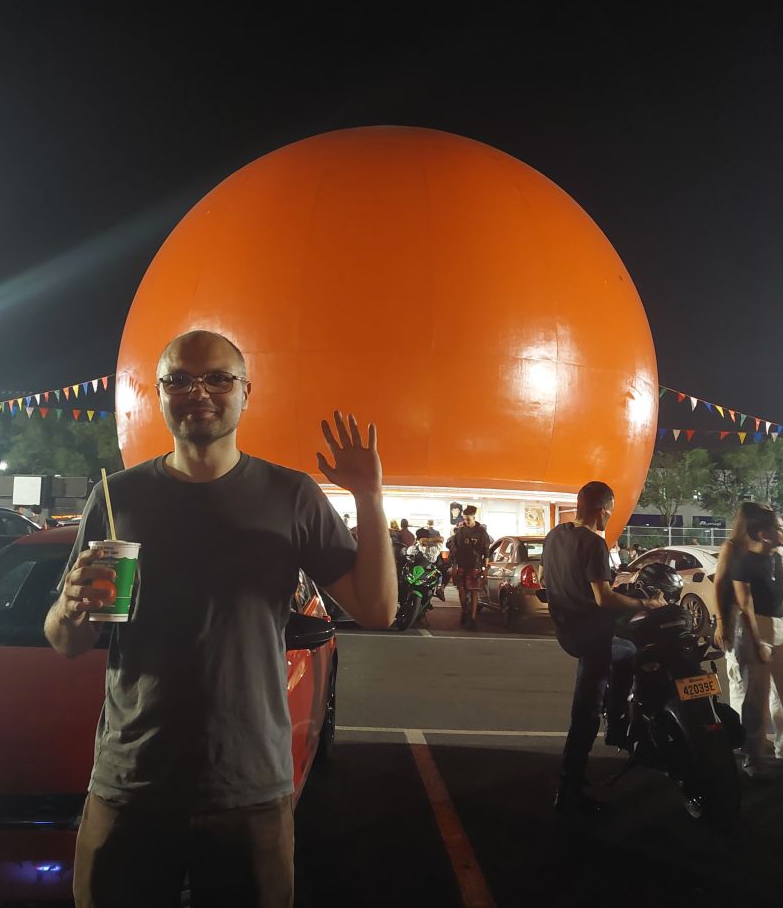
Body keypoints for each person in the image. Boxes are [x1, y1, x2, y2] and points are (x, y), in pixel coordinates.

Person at [45, 330, 396, 908]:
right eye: (179, 379)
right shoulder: (118, 497)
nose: (198, 392)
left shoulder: (291, 495)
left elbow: (377, 610)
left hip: (249, 785)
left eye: (217, 379)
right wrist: (68, 606)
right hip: (131, 780)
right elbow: (68, 640)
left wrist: (369, 496)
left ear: (245, 392)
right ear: (159, 393)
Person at [542, 481, 665, 813]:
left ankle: (616, 720)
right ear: (602, 510)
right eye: (609, 512)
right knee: (586, 712)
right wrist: (644, 604)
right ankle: (570, 789)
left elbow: (545, 578)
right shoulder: (594, 543)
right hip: (591, 635)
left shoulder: (554, 535)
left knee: (626, 651)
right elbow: (603, 598)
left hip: (565, 630)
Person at [713, 502, 783, 781]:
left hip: (777, 625)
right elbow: (740, 599)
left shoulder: (775, 556)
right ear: (761, 530)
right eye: (779, 527)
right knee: (753, 694)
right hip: (750, 625)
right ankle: (752, 754)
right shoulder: (738, 555)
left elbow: (781, 594)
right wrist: (726, 625)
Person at [446, 505, 491, 629]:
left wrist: (485, 568)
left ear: (474, 517)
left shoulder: (482, 532)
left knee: (474, 591)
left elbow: (486, 550)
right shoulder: (461, 532)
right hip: (462, 564)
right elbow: (454, 549)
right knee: (461, 589)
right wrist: (454, 565)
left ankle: (473, 618)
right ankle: (465, 610)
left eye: (468, 519)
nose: (466, 521)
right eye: (465, 519)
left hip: (475, 565)